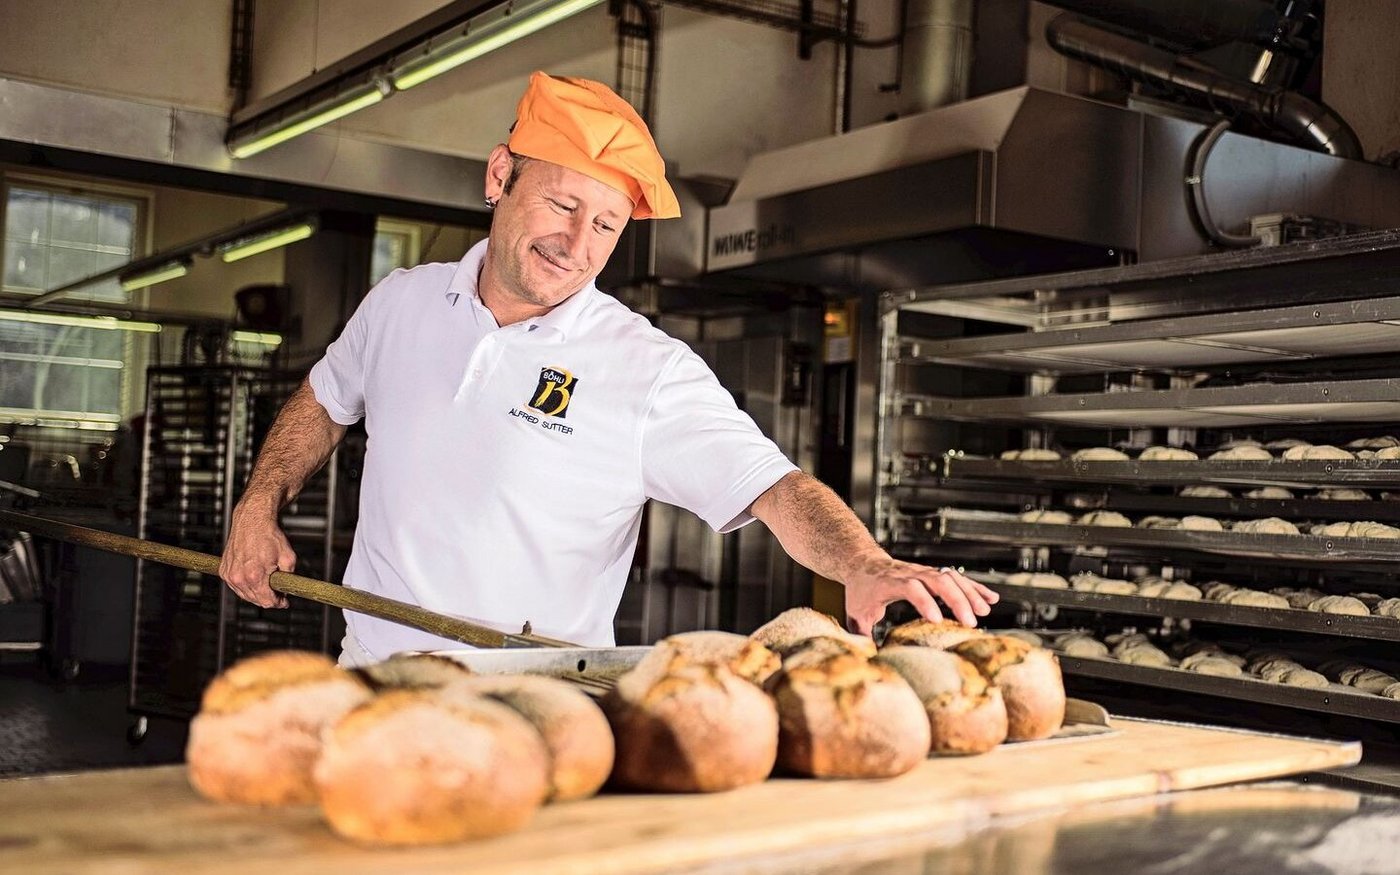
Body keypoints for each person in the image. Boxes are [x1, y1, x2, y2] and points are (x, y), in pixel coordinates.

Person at [219, 71, 997, 665]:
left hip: (530, 705)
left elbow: (775, 486)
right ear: (500, 177)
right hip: (371, 676)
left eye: (605, 224)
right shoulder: (400, 303)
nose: (578, 244)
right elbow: (324, 401)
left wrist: (864, 562)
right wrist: (259, 501)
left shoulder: (644, 369)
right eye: (561, 205)